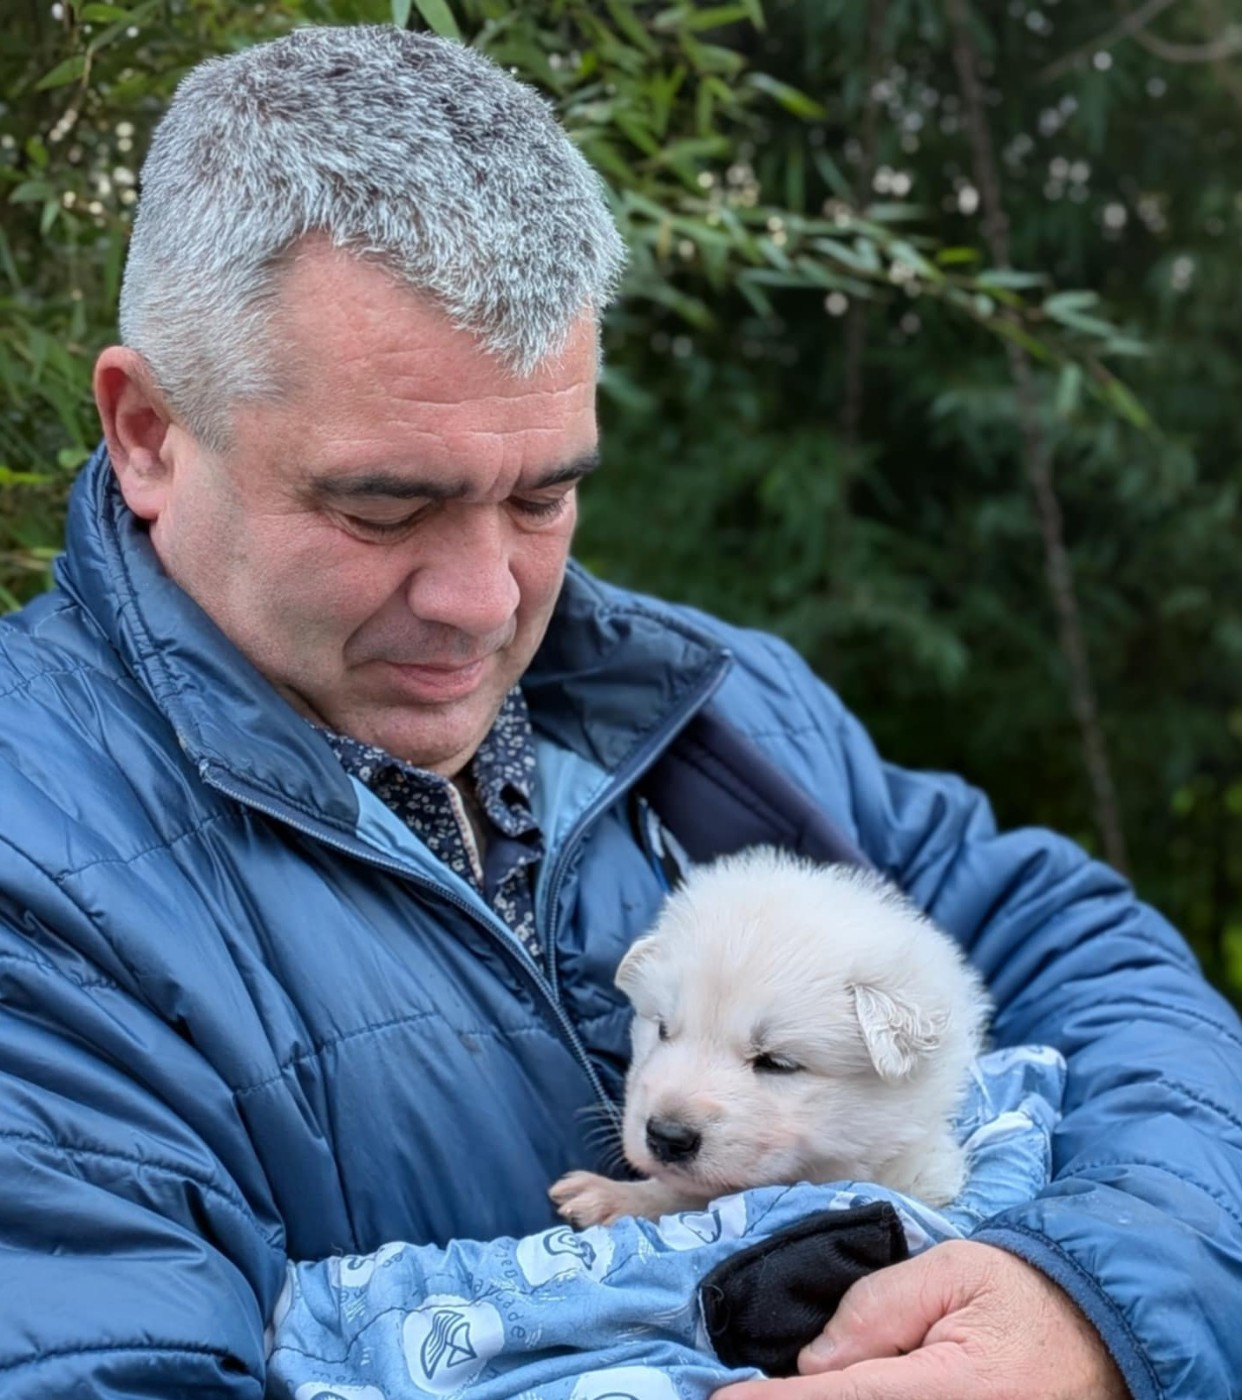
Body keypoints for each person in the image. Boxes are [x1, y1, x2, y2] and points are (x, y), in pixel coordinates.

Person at [0, 23, 1237, 1400]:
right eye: (381, 506)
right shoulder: (32, 863)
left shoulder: (710, 700)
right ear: (148, 431)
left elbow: (1093, 960)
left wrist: (1094, 1307)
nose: (483, 602)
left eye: (541, 495)